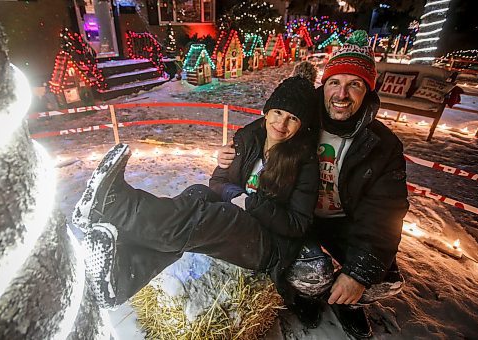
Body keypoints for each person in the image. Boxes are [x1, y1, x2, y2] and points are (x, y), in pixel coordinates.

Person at [217, 30, 409, 339]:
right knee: (312, 273)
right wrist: (234, 149)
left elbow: (385, 214)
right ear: (324, 85)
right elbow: (268, 123)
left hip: (342, 221)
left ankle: (348, 302)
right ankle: (306, 294)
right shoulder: (305, 115)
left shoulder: (382, 146)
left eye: (354, 84)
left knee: (385, 278)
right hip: (294, 212)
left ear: (369, 92)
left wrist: (356, 275)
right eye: (335, 82)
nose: (341, 94)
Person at [72, 75, 321, 310]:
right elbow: (218, 182)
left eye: (293, 119)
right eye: (278, 112)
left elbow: (297, 224)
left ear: (301, 126)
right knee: (197, 193)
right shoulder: (249, 139)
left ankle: (115, 207)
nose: (282, 123)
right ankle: (122, 274)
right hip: (242, 212)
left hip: (270, 246)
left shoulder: (304, 162)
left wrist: (250, 204)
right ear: (267, 112)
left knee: (221, 216)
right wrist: (238, 197)